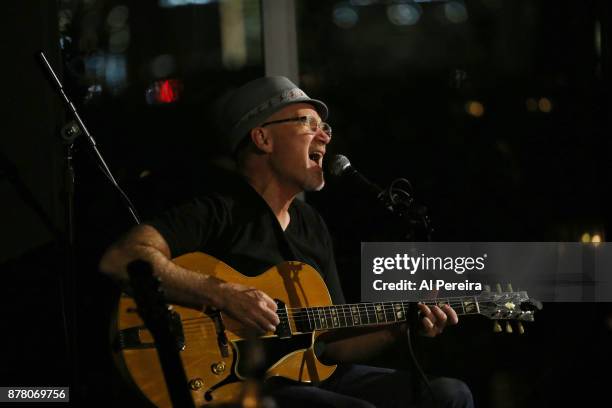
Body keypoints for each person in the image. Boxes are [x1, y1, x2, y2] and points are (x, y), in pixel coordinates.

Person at [99, 76, 473, 408]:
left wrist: (400, 325)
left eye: (324, 126)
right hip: (235, 383)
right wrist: (224, 294)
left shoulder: (311, 225)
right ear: (262, 137)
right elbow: (122, 258)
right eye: (308, 123)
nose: (325, 135)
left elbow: (332, 343)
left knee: (449, 394)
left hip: (307, 375)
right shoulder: (216, 211)